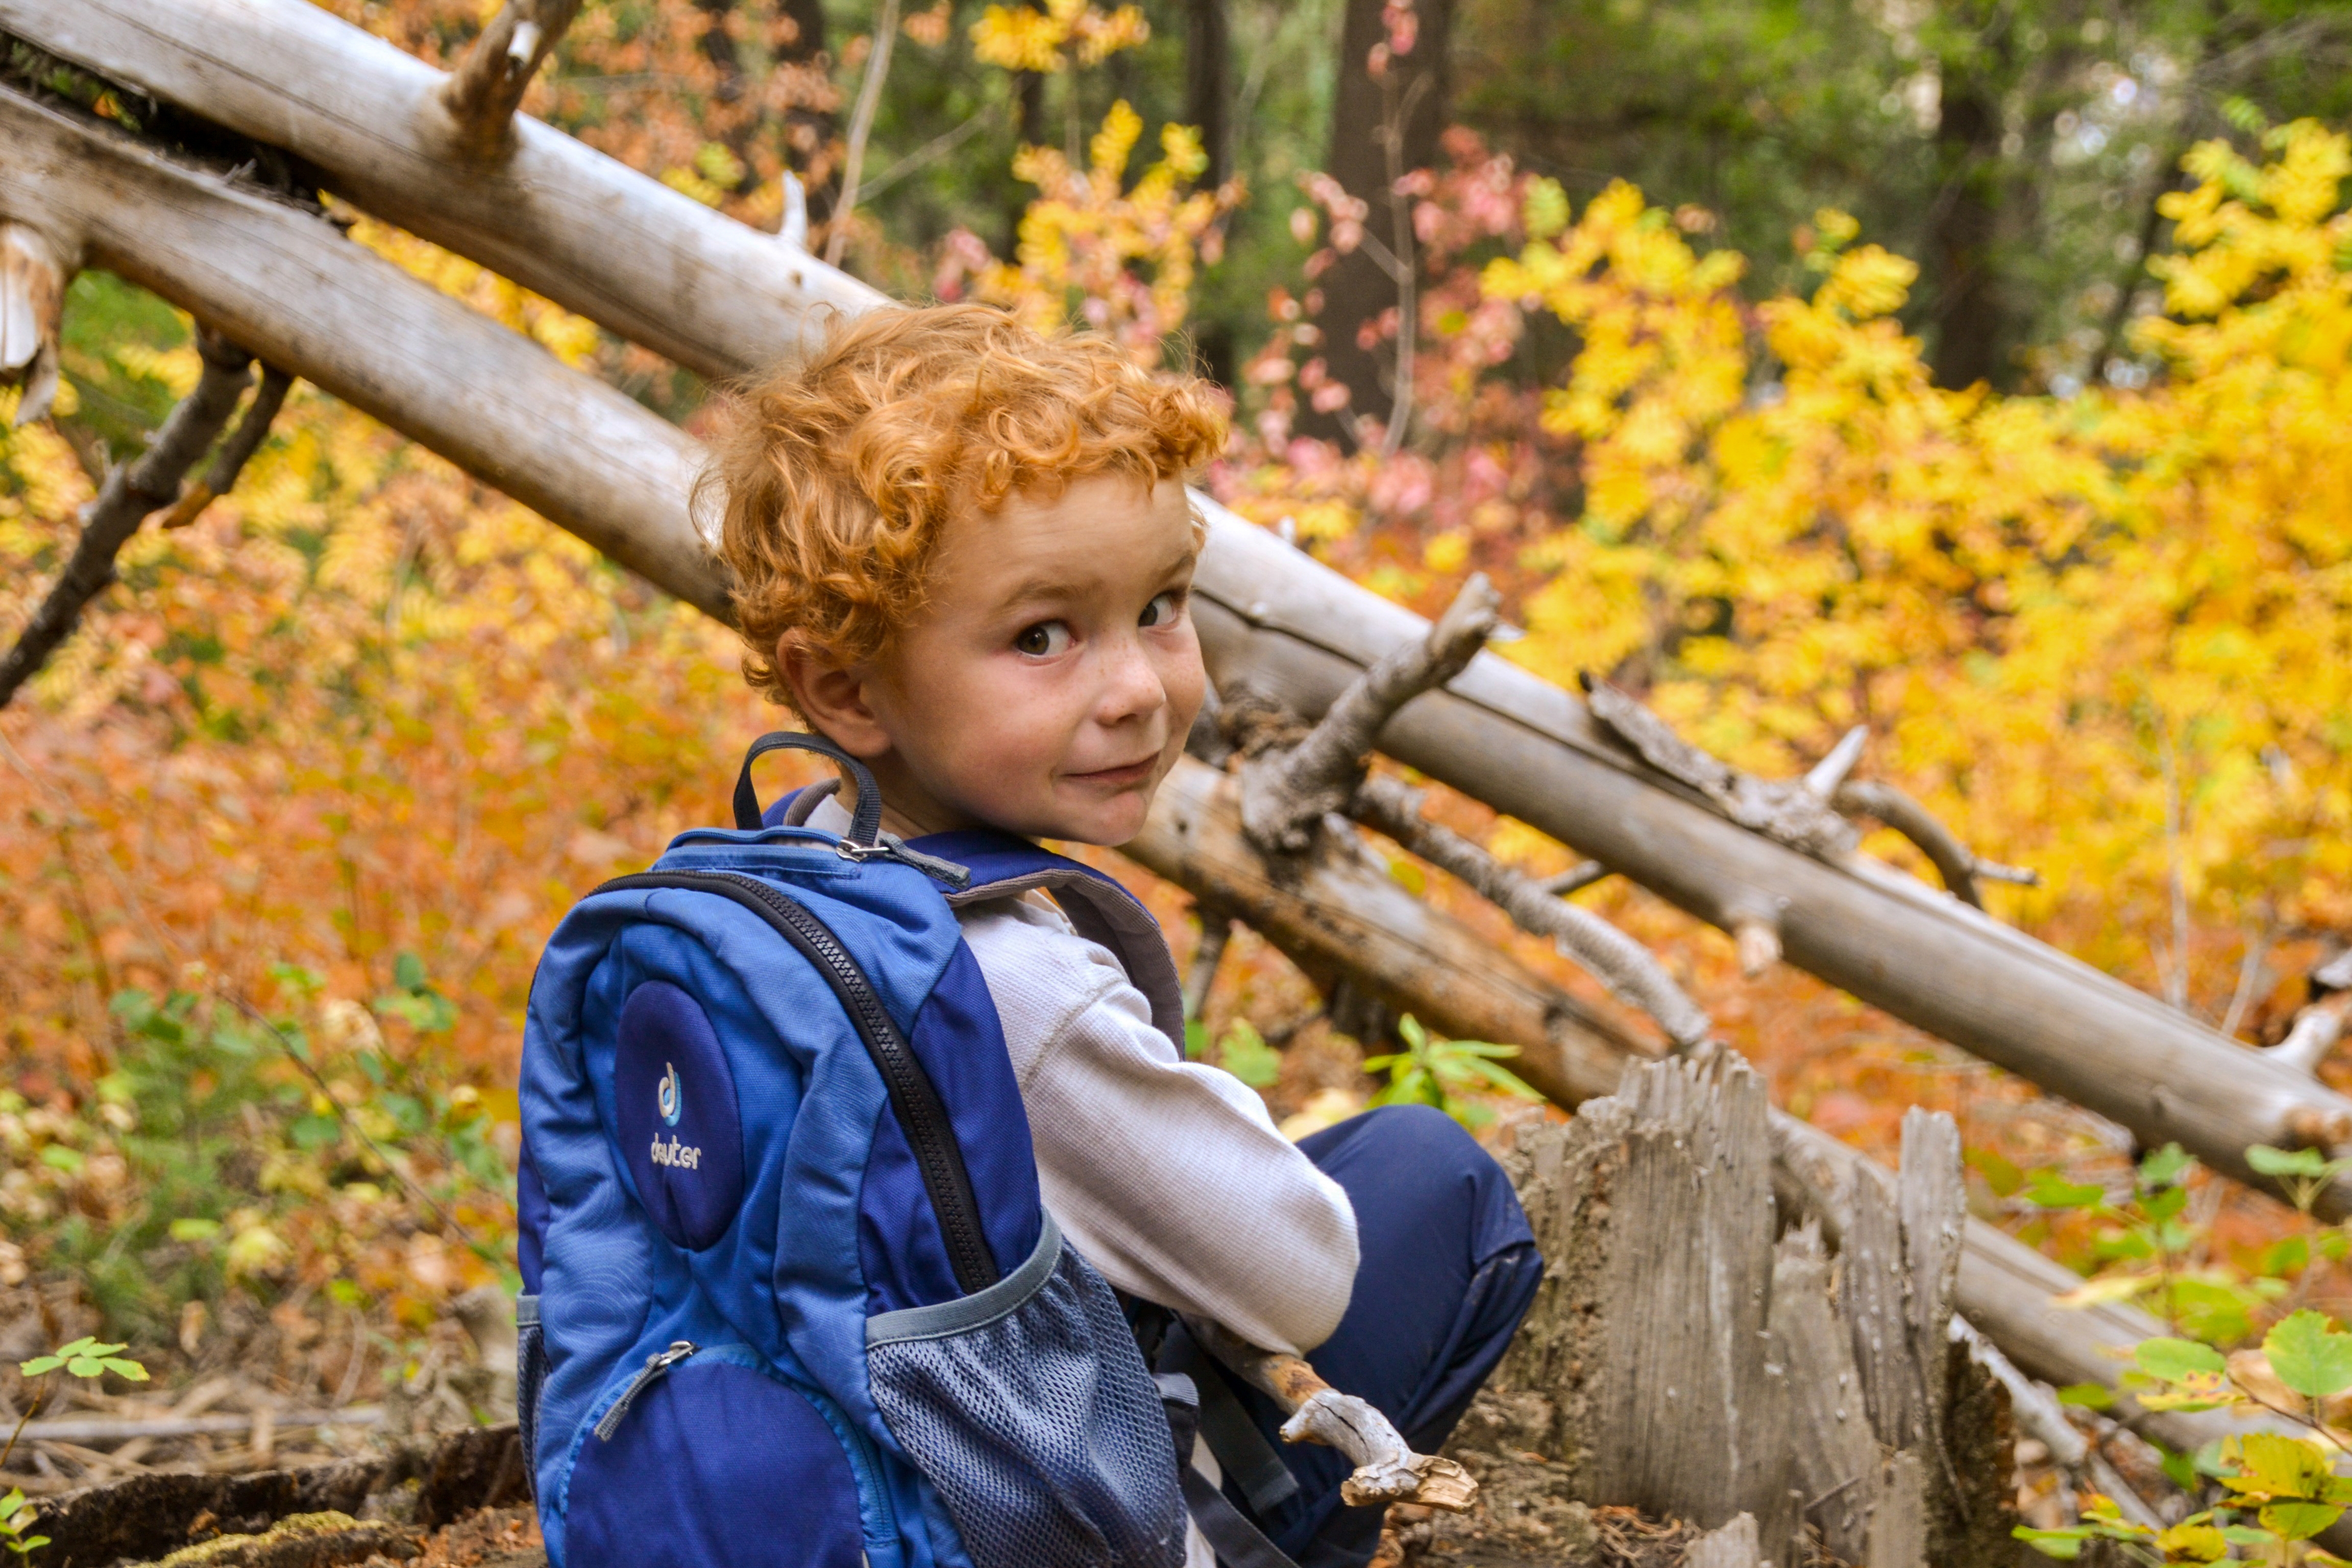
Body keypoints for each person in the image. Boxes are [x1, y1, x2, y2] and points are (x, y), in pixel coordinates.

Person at [704, 302, 1542, 1568]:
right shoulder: (1006, 988)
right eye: (1043, 637)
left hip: (806, 1491)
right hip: (1002, 1518)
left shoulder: (768, 887)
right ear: (846, 688)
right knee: (1443, 1182)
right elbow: (1301, 1280)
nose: (1141, 688)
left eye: (1161, 606)